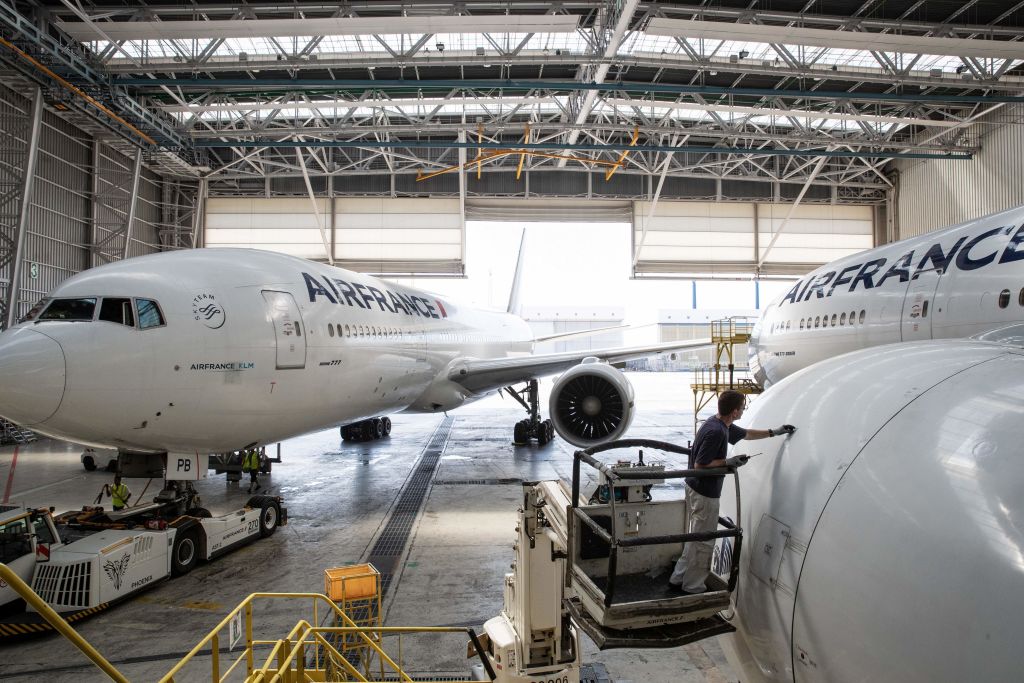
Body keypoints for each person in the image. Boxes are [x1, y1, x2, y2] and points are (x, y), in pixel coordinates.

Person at [669, 390, 796, 595]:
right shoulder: (717, 432)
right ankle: (692, 587)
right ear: (735, 411)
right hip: (705, 493)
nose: (744, 409)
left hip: (695, 488)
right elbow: (701, 465)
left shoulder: (718, 424)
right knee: (705, 541)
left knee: (696, 536)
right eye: (742, 407)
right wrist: (727, 462)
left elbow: (746, 433)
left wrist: (774, 431)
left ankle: (679, 577)